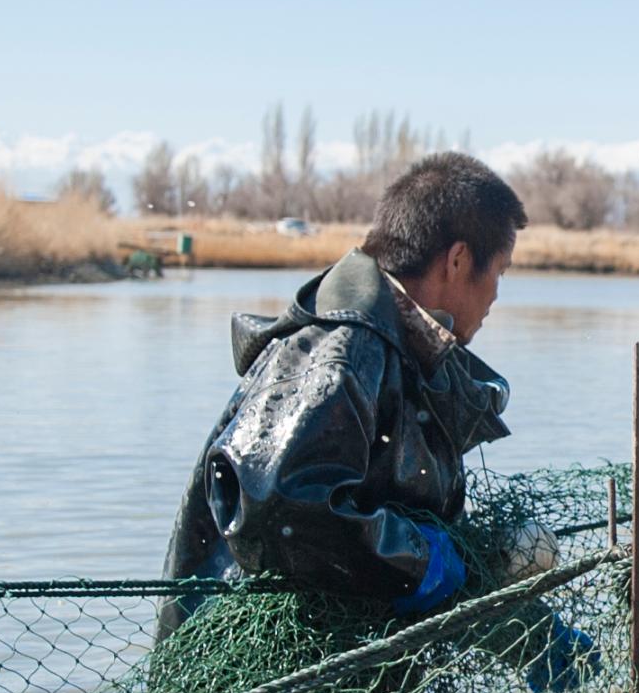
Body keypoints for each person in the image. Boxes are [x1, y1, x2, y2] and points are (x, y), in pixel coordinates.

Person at [160, 152, 526, 638]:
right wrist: (418, 558)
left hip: (338, 665)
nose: (498, 295)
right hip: (266, 674)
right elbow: (277, 507)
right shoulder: (343, 353)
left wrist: (513, 622)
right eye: (499, 271)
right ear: (458, 260)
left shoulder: (401, 348)